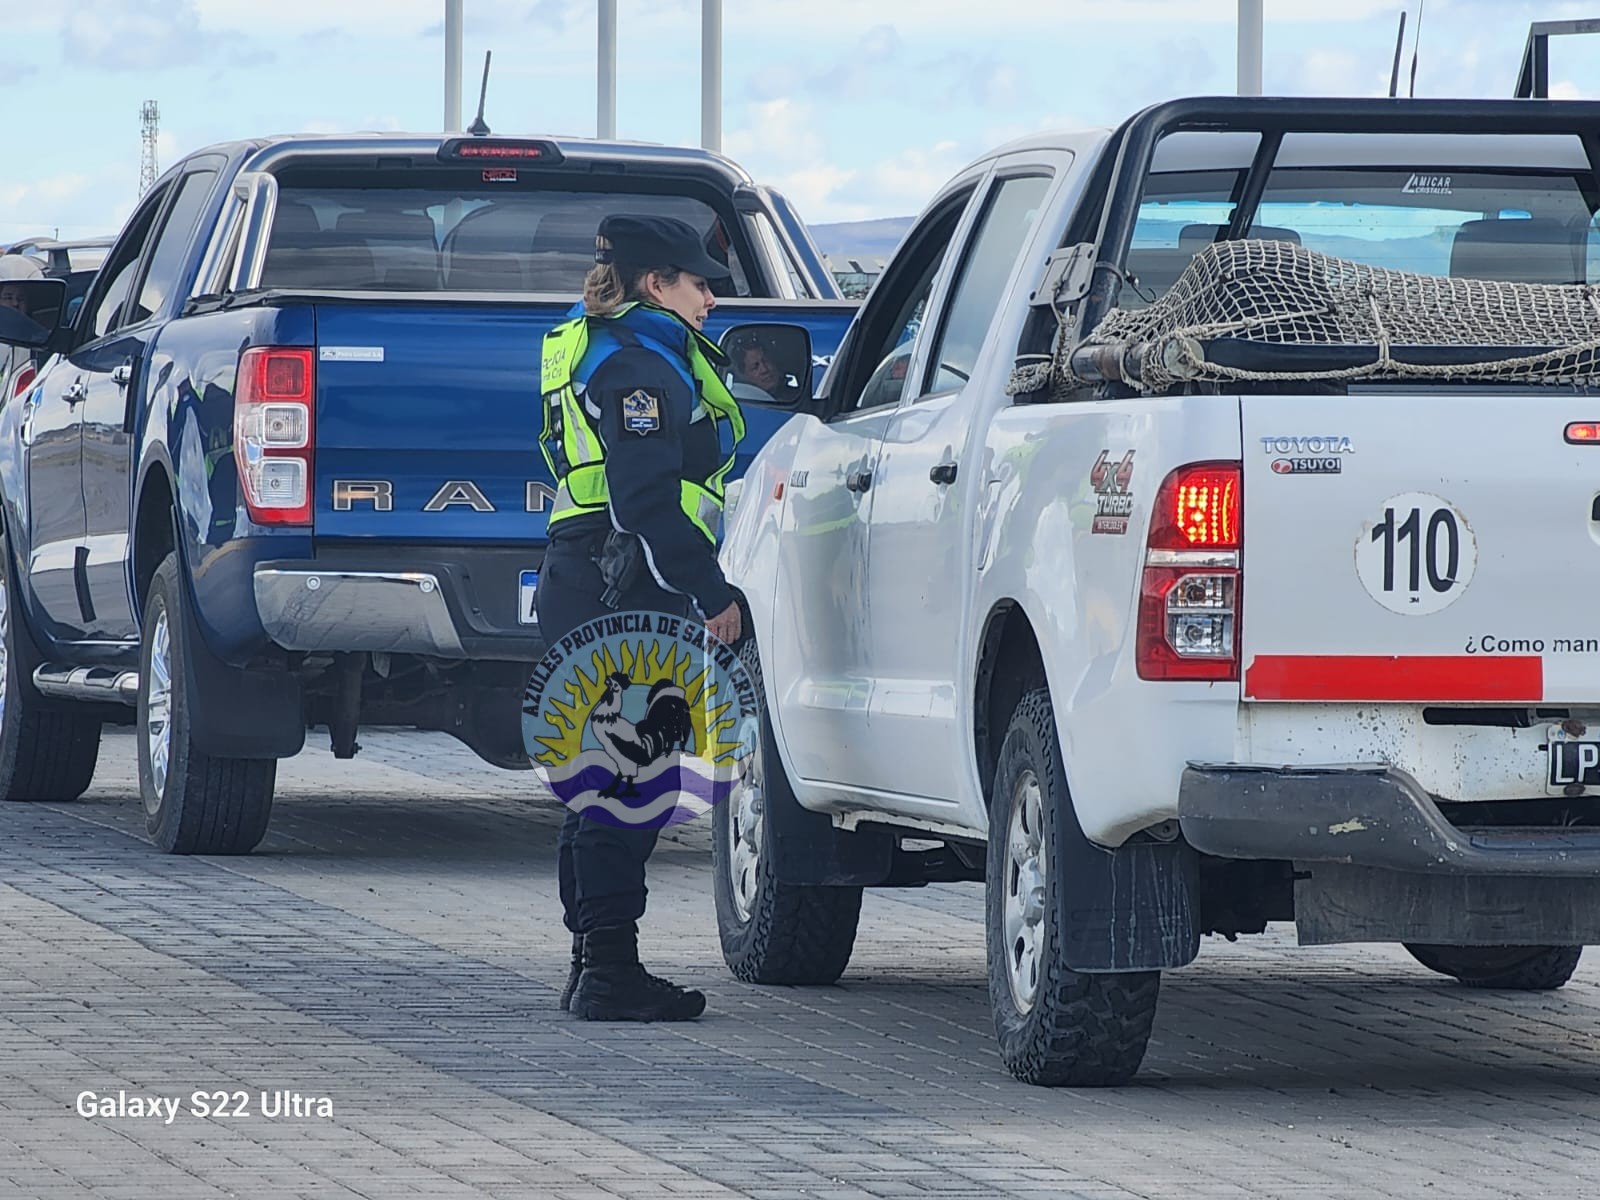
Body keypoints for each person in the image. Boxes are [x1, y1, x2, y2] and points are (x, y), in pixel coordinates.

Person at [536, 213, 746, 1022]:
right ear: (656, 283)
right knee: (630, 778)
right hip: (623, 579)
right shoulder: (640, 362)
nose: (711, 301)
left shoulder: (602, 346)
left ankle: (595, 961)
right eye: (700, 284)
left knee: (599, 779)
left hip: (585, 573)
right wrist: (712, 591)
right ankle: (609, 970)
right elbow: (646, 497)